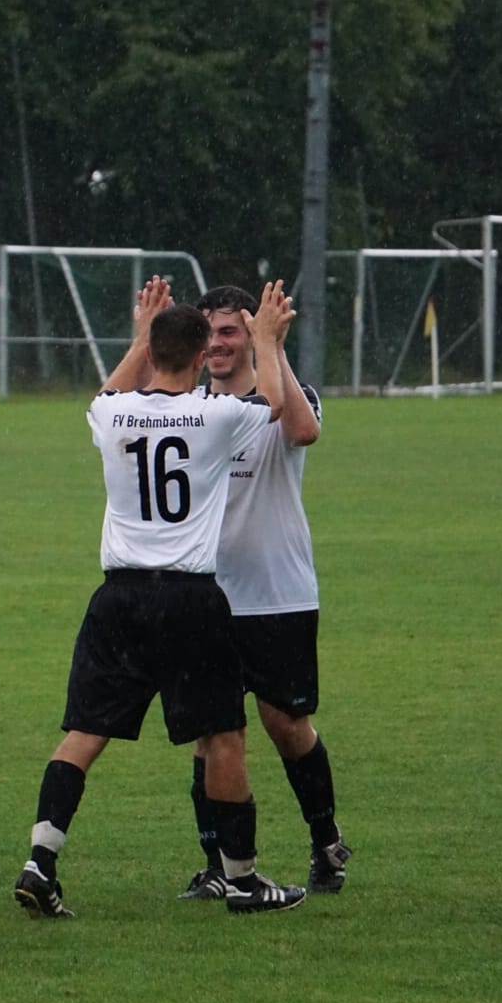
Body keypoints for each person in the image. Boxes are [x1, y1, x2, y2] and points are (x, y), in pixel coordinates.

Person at [11, 278, 308, 919]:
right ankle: (243, 881)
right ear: (202, 356)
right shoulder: (215, 413)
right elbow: (277, 403)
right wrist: (264, 337)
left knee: (83, 734)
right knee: (224, 736)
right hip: (188, 598)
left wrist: (140, 336)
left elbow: (109, 390)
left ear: (152, 347)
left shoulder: (112, 414)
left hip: (116, 597)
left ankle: (41, 860)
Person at [175, 283, 352, 901]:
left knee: (287, 726)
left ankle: (326, 842)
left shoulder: (284, 394)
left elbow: (302, 432)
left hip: (278, 595)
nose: (217, 344)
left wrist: (274, 345)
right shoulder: (189, 406)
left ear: (250, 335)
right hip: (206, 599)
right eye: (209, 332)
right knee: (213, 736)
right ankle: (219, 866)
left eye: (229, 331)